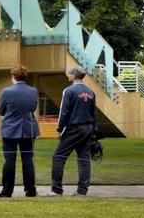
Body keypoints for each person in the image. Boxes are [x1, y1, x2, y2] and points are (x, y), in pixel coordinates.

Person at [49, 66, 97, 196]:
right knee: (84, 159)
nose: (68, 74)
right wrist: (94, 131)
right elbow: (93, 114)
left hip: (73, 128)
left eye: (69, 73)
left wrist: (60, 128)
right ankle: (82, 190)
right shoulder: (91, 92)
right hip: (87, 128)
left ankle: (56, 189)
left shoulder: (69, 91)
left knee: (58, 157)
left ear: (73, 76)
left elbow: (63, 112)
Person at [0, 64, 40, 198]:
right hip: (28, 128)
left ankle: (7, 191)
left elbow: (0, 111)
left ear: (13, 77)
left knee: (9, 161)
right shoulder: (33, 91)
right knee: (28, 160)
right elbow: (33, 108)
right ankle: (30, 190)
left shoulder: (7, 92)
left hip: (10, 130)